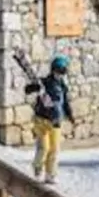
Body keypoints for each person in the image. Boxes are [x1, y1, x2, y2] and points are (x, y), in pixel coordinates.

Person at [30, 55, 72, 185]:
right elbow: (31, 88)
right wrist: (32, 88)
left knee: (54, 149)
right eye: (58, 71)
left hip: (56, 122)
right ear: (53, 70)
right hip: (41, 120)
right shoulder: (45, 83)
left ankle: (50, 174)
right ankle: (38, 169)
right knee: (44, 148)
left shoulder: (63, 87)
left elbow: (65, 103)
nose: (60, 74)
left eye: (63, 72)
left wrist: (69, 114)